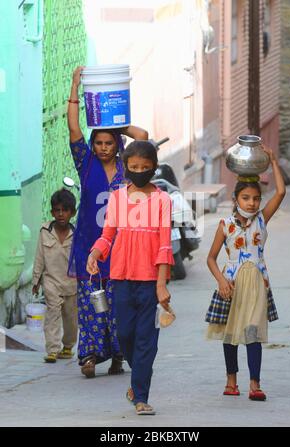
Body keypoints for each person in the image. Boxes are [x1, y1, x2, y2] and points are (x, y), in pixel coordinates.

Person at [67, 66, 149, 378]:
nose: (103, 148)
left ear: (117, 145)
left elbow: (141, 136)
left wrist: (113, 121)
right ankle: (88, 356)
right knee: (89, 303)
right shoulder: (85, 164)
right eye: (99, 142)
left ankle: (117, 355)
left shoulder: (131, 167)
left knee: (118, 306)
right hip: (89, 246)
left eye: (108, 143)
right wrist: (75, 89)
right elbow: (74, 129)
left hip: (121, 249)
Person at [86, 140, 174, 415]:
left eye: (144, 167)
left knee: (146, 339)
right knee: (125, 335)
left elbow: (164, 245)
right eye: (134, 167)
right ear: (125, 167)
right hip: (121, 277)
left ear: (154, 168)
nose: (139, 171)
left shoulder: (162, 200)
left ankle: (140, 397)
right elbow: (108, 234)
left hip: (150, 282)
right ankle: (139, 380)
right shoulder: (117, 198)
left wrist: (161, 285)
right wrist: (94, 254)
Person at [205, 146, 286, 401]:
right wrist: (220, 281)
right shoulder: (225, 225)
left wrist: (273, 161)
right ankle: (231, 380)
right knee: (230, 334)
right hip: (231, 284)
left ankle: (254, 384)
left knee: (253, 332)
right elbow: (210, 258)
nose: (252, 203)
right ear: (235, 200)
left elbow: (281, 191)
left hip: (258, 285)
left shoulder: (262, 219)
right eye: (246, 198)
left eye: (255, 198)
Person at [32, 189, 78, 363]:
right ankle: (52, 349)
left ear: (72, 212)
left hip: (71, 283)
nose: (61, 214)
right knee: (52, 314)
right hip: (50, 281)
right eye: (57, 210)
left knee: (71, 319)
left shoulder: (77, 233)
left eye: (65, 210)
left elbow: (82, 259)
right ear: (52, 212)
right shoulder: (45, 230)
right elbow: (39, 257)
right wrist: (36, 280)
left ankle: (67, 346)